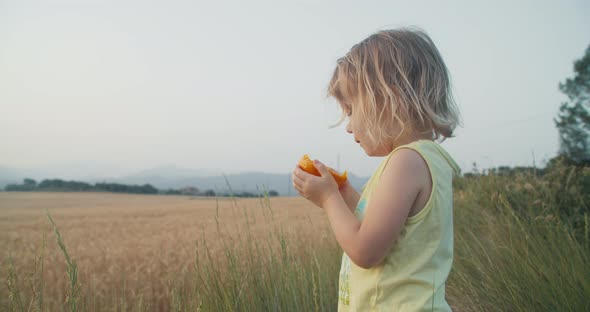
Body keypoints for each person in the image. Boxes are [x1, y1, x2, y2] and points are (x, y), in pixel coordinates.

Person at [292, 27, 461, 311]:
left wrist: (329, 199)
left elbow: (365, 250)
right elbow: (381, 226)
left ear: (387, 98)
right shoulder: (422, 160)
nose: (348, 126)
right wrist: (344, 192)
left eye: (351, 110)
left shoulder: (406, 162)